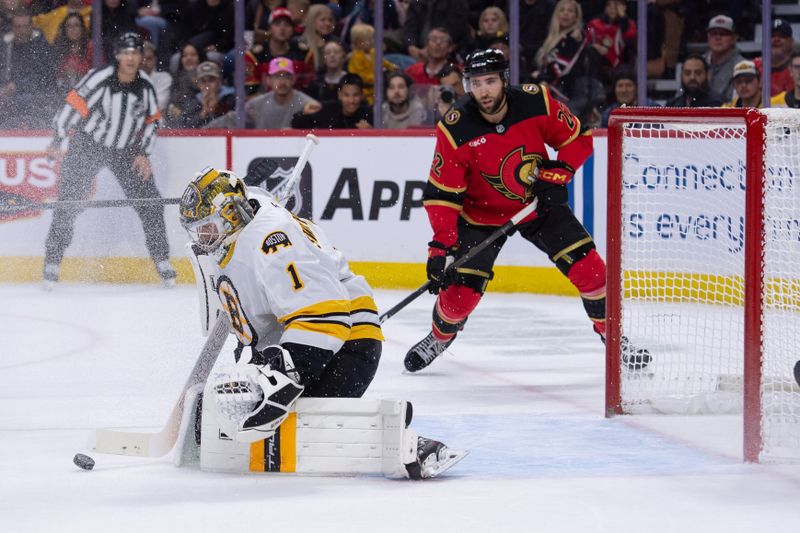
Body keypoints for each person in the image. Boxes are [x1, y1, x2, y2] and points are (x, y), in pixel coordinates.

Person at [178, 166, 461, 479]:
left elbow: (326, 318)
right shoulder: (247, 217)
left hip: (346, 345)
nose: (202, 240)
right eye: (196, 231)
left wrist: (281, 375)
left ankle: (399, 439)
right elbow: (255, 195)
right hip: (309, 339)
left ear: (231, 214)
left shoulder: (273, 242)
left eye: (206, 229)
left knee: (291, 427)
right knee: (231, 407)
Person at [403, 49, 651, 372]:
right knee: (458, 298)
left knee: (592, 273)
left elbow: (579, 139)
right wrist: (440, 247)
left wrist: (556, 173)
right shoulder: (455, 128)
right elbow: (442, 196)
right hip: (480, 217)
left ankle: (613, 339)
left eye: (490, 81)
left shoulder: (537, 102)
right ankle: (439, 335)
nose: (484, 91)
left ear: (504, 80)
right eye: (476, 83)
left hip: (536, 204)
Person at [42, 32, 176, 289]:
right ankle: (52, 261)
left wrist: (143, 153)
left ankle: (162, 260)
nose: (130, 57)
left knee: (151, 203)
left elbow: (152, 121)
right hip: (88, 145)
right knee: (68, 202)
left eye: (135, 53)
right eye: (125, 52)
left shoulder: (145, 86)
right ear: (117, 55)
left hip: (126, 150)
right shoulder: (100, 78)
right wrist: (58, 140)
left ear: (141, 57)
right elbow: (72, 106)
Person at [291, 73, 372, 129]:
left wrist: (370, 132)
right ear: (339, 95)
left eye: (355, 95)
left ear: (362, 95)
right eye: (346, 95)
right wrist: (304, 112)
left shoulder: (368, 114)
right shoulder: (327, 109)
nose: (351, 100)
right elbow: (297, 123)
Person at [703, 14, 744, 101]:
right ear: (708, 37)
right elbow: (681, 94)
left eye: (723, 33)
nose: (718, 37)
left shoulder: (741, 66)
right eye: (714, 33)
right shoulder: (698, 63)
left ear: (733, 38)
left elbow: (734, 102)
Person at [754, 18, 796, 97]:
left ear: (791, 42)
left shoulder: (797, 68)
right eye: (772, 36)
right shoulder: (753, 66)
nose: (776, 39)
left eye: (782, 36)